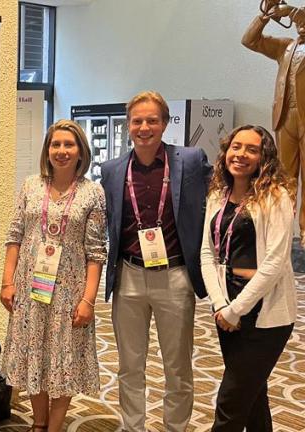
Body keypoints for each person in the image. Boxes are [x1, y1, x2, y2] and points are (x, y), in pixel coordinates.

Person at [100, 90, 212, 431]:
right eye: (137, 121)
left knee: (177, 367)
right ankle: (133, 426)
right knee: (129, 366)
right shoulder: (112, 170)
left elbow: (219, 198)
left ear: (165, 123)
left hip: (175, 276)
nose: (144, 127)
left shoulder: (190, 160)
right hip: (129, 276)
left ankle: (175, 427)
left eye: (152, 120)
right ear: (128, 125)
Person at [1, 119, 106, 432]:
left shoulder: (93, 193)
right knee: (35, 353)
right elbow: (14, 236)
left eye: (68, 145)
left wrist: (88, 300)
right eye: (55, 144)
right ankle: (39, 423)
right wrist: (7, 282)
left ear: (80, 151)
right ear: (47, 150)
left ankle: (55, 427)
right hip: (31, 287)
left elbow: (96, 252)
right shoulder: (30, 185)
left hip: (70, 293)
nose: (61, 150)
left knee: (64, 359)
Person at [199, 125, 297, 431]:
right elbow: (207, 253)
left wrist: (235, 310)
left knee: (230, 402)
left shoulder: (275, 197)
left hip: (265, 314)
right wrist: (220, 304)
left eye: (251, 149)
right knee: (252, 397)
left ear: (263, 157)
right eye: (236, 146)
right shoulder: (218, 194)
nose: (241, 154)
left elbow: (275, 263)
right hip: (226, 308)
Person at [242, 0, 305, 242]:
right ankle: (282, 231)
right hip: (286, 117)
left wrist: (293, 12)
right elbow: (249, 40)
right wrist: (265, 16)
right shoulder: (286, 47)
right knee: (285, 179)